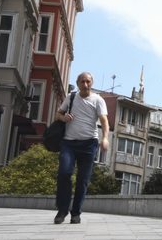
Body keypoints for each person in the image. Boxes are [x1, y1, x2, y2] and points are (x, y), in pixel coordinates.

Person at [54, 72, 109, 224]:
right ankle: (62, 210)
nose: (85, 84)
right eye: (82, 82)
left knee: (82, 180)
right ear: (78, 83)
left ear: (92, 83)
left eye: (88, 81)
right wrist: (63, 117)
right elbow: (57, 114)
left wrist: (105, 138)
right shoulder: (71, 97)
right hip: (69, 143)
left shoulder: (98, 100)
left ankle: (76, 213)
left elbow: (104, 121)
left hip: (89, 144)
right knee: (64, 174)